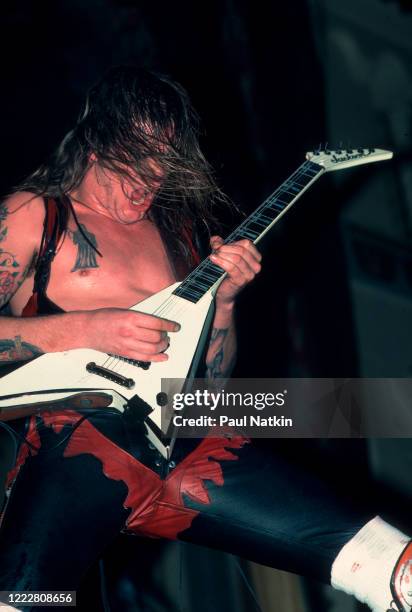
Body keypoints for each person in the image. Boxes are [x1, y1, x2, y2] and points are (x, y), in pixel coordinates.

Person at [0, 66, 410, 612]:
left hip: (190, 444)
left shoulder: (179, 236)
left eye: (162, 166)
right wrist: (86, 327)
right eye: (135, 162)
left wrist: (227, 303)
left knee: (392, 563)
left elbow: (210, 387)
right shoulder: (34, 215)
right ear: (95, 142)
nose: (150, 181)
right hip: (80, 439)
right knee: (24, 601)